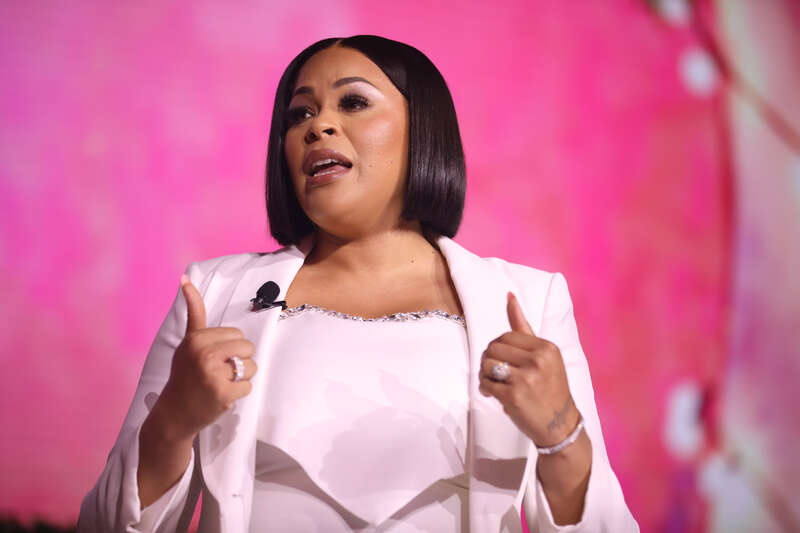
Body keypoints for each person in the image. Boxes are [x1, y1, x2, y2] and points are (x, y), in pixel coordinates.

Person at [78, 35, 638, 532]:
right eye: (299, 114)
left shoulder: (529, 302)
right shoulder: (214, 294)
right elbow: (104, 525)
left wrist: (560, 433)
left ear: (424, 130)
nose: (317, 126)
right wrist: (174, 420)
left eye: (353, 103)